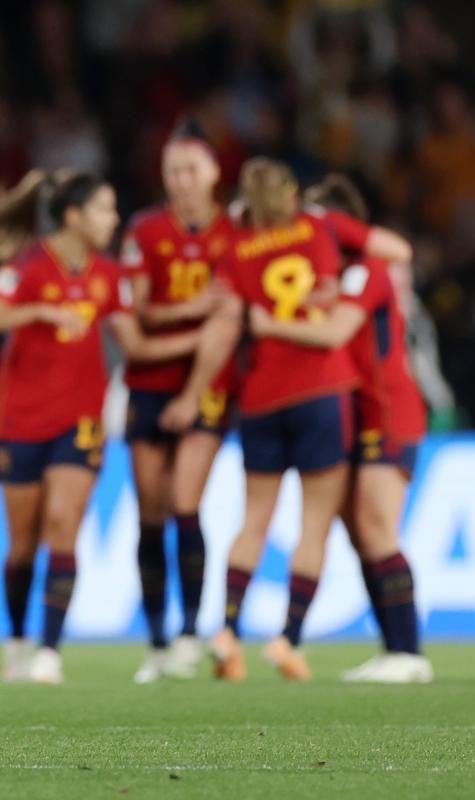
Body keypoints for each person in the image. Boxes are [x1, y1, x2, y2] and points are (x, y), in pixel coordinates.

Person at [0, 170, 201, 684]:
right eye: (104, 209)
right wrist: (43, 309)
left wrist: (205, 338)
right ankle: (19, 639)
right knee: (22, 545)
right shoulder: (28, 264)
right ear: (74, 216)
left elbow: (135, 345)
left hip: (80, 421)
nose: (112, 220)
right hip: (19, 421)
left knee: (64, 526)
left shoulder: (110, 276)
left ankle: (50, 650)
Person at [165, 158, 361, 681]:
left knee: (254, 520)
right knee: (315, 523)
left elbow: (228, 328)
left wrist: (194, 392)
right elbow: (333, 289)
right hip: (320, 388)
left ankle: (227, 630)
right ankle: (288, 640)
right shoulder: (316, 229)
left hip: (262, 396)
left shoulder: (235, 252)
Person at [249, 175, 432, 683]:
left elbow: (333, 332)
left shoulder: (365, 272)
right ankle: (395, 648)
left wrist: (267, 325)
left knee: (377, 529)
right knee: (359, 535)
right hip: (352, 414)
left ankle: (409, 652)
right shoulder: (325, 279)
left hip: (388, 411)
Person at [118, 121, 237, 683]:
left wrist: (186, 317)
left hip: (208, 387)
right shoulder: (144, 230)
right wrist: (199, 315)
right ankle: (159, 640)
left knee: (185, 500)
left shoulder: (236, 233)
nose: (183, 181)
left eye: (191, 170)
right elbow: (141, 313)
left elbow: (235, 312)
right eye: (173, 173)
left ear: (214, 172)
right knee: (150, 511)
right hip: (147, 381)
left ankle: (190, 632)